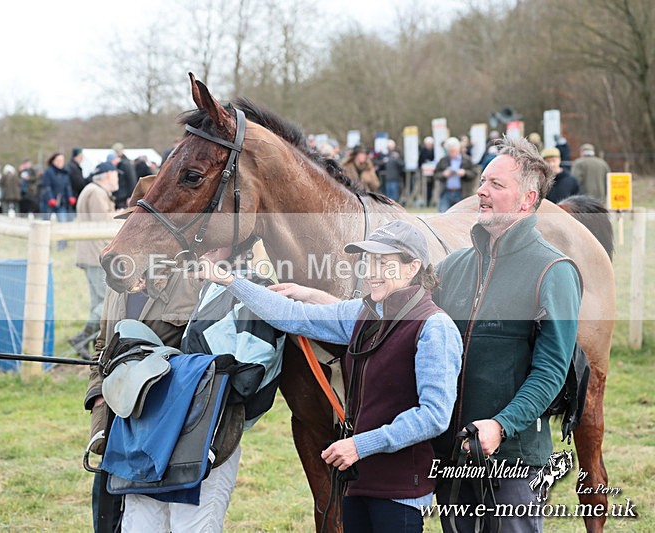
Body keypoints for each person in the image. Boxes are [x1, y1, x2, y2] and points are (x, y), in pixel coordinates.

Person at [196, 220, 463, 533]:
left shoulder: (434, 328)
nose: (372, 272)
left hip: (399, 489)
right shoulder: (365, 313)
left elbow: (434, 416)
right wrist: (229, 280)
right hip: (356, 481)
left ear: (413, 266)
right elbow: (294, 316)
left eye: (384, 263)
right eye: (369, 262)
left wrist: (359, 445)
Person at [431, 136, 581, 533]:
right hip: (452, 455)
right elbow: (404, 321)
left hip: (514, 459)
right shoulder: (452, 267)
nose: (481, 191)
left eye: (496, 185)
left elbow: (550, 371)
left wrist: (500, 425)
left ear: (527, 199)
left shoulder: (554, 271)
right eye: (483, 181)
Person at [120, 242, 286, 533]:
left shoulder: (254, 287)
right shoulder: (207, 287)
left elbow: (248, 378)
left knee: (193, 526)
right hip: (170, 424)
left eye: (217, 240)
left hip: (211, 431)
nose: (205, 245)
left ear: (240, 245)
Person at [84, 175, 202, 532]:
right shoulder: (116, 283)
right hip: (114, 418)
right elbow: (101, 349)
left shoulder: (191, 281)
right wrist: (98, 409)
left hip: (159, 423)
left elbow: (195, 354)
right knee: (106, 509)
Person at [70, 162, 120, 360]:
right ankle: (82, 339)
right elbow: (105, 224)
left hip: (90, 252)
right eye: (115, 174)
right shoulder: (97, 193)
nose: (117, 178)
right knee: (105, 301)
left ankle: (89, 342)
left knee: (97, 302)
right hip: (97, 253)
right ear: (108, 174)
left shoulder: (91, 190)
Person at [40, 152, 75, 249]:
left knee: (63, 224)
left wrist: (70, 196)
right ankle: (45, 245)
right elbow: (46, 187)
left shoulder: (65, 173)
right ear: (53, 161)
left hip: (61, 202)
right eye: (58, 160)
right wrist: (50, 198)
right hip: (48, 203)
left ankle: (62, 246)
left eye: (62, 161)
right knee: (45, 224)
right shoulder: (48, 172)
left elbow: (68, 187)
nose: (60, 162)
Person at [434, 136, 476, 212]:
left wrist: (465, 173)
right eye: (450, 151)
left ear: (458, 149)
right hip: (446, 193)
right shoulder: (443, 160)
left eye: (454, 151)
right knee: (443, 216)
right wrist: (443, 174)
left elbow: (474, 174)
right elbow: (436, 174)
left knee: (461, 216)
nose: (452, 153)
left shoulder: (467, 160)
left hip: (462, 193)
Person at [111, 142, 137, 209]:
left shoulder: (126, 164)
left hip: (124, 197)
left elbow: (132, 180)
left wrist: (131, 196)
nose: (116, 153)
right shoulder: (118, 162)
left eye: (117, 151)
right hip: (119, 196)